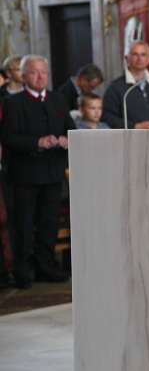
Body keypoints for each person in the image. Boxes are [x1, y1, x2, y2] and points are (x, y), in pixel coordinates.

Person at [1, 55, 75, 289]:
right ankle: (23, 271)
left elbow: (72, 130)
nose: (40, 76)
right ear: (23, 77)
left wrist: (66, 139)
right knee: (23, 224)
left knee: (48, 223)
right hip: (24, 175)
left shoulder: (58, 99)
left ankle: (46, 266)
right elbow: (8, 138)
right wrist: (37, 142)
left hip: (53, 172)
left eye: (44, 72)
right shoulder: (12, 103)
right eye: (34, 72)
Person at [102, 41, 149, 129]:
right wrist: (134, 126)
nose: (139, 58)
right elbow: (107, 116)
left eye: (143, 54)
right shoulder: (115, 87)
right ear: (127, 58)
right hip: (129, 137)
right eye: (135, 54)